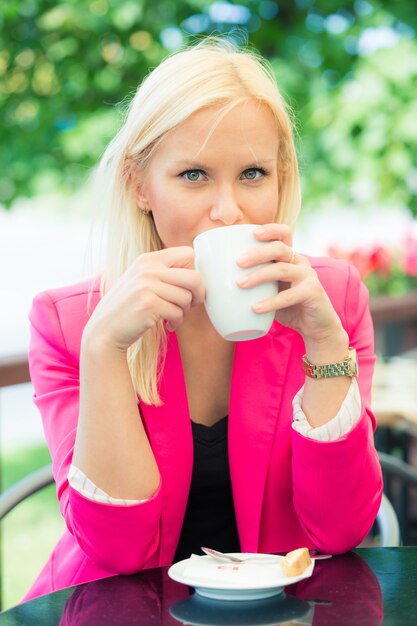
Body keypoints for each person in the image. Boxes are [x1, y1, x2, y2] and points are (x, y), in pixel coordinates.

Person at [26, 37, 382, 601]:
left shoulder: (330, 299)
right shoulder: (71, 323)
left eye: (253, 174)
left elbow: (340, 531)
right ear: (139, 184)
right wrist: (104, 352)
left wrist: (323, 339)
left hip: (278, 610)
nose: (228, 210)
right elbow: (119, 554)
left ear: (282, 177)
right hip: (116, 610)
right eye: (193, 175)